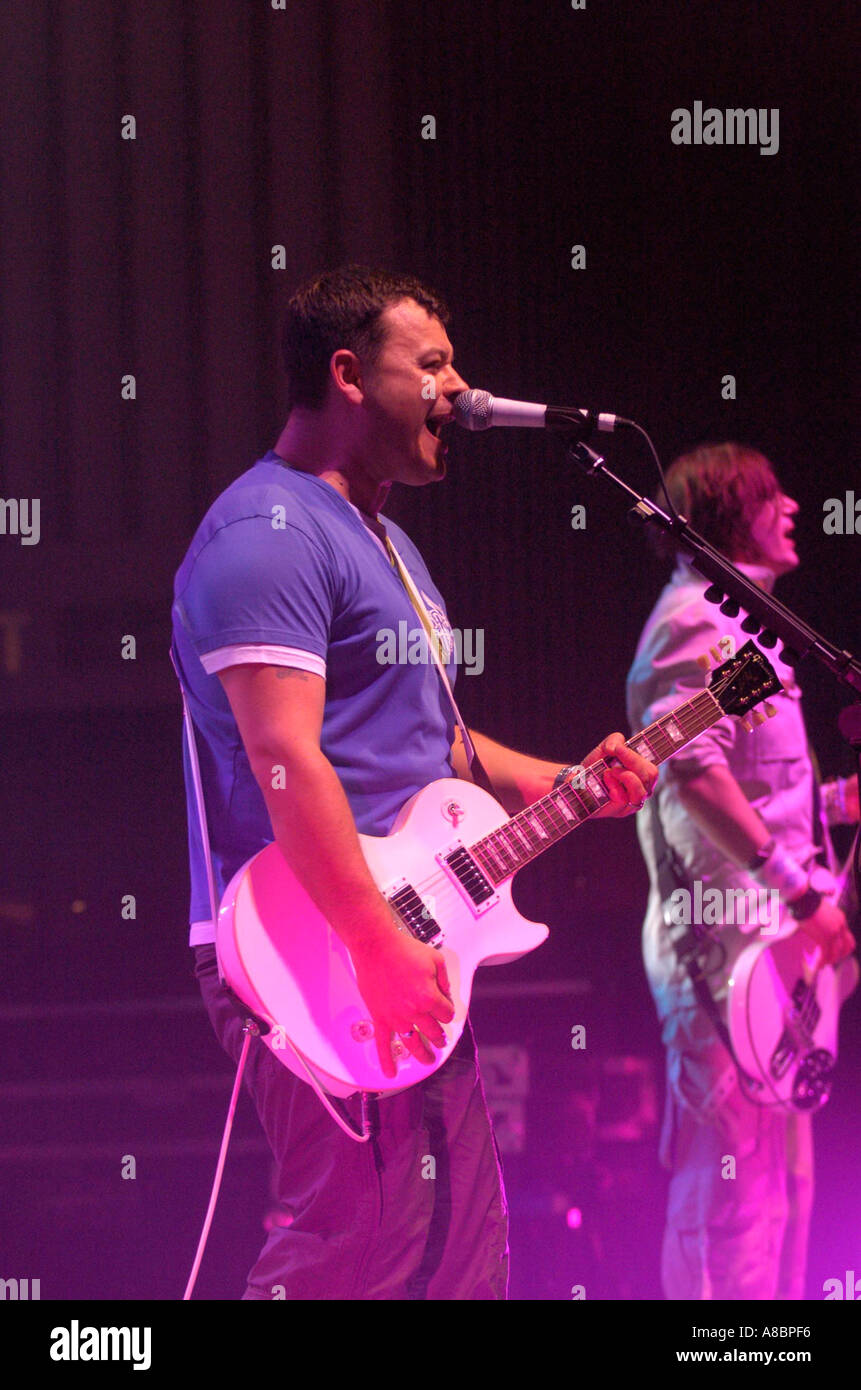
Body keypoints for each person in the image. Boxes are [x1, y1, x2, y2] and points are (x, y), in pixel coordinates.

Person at [171, 265, 657, 1300]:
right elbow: (285, 756)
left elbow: (438, 748)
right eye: (430, 363)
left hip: (402, 930)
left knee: (454, 1253)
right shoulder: (267, 534)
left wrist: (569, 781)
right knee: (349, 1242)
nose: (458, 387)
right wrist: (373, 936)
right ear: (347, 374)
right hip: (316, 941)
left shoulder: (391, 549)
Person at [626, 441, 858, 1301]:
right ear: (730, 512)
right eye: (772, 496)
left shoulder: (740, 623)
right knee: (733, 1196)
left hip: (770, 950)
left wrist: (837, 804)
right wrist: (799, 891)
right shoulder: (696, 618)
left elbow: (757, 788)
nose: (793, 507)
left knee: (782, 1192)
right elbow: (692, 773)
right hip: (724, 954)